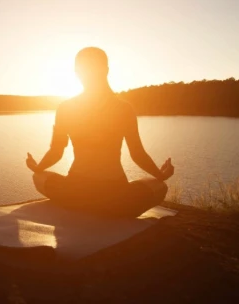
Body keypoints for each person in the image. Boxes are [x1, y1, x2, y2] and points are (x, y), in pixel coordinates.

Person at [26, 47, 174, 217]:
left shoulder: (66, 108)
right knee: (159, 187)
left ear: (77, 73)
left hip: (75, 194)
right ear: (106, 70)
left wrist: (38, 167)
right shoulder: (124, 108)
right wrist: (160, 175)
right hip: (116, 199)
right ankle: (109, 209)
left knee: (38, 177)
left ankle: (83, 206)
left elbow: (56, 151)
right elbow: (137, 153)